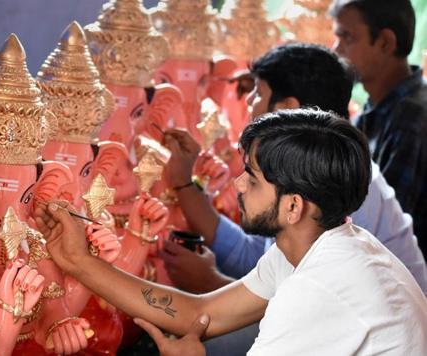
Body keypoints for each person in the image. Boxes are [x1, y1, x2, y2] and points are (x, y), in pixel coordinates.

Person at [35, 109, 427, 356]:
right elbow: (198, 312)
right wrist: (78, 261)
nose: (237, 185)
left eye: (252, 180)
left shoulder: (319, 288)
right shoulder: (317, 243)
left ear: (293, 206)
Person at [163, 43, 427, 296]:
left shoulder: (335, 181)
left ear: (286, 108)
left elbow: (306, 312)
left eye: (258, 92)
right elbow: (256, 255)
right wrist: (184, 184)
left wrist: (210, 283)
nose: (249, 102)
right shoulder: (310, 166)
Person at [331, 0, 427, 252]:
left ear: (385, 42)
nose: (336, 50)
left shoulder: (413, 118)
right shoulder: (375, 108)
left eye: (347, 38)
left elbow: (381, 232)